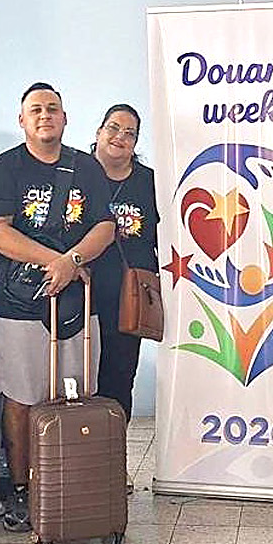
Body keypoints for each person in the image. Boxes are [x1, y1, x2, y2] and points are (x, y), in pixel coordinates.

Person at [0, 83, 115, 533]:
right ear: (22, 120)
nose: (45, 115)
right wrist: (53, 262)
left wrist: (72, 261)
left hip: (78, 300)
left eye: (53, 108)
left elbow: (105, 228)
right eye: (35, 110)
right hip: (19, 304)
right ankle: (20, 488)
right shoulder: (6, 168)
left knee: (76, 393)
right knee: (22, 397)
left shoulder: (86, 168)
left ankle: (72, 480)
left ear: (65, 117)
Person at [89, 104, 159, 421]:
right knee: (80, 383)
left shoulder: (150, 183)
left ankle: (114, 459)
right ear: (99, 132)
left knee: (119, 382)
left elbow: (165, 238)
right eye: (114, 128)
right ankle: (78, 458)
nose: (121, 137)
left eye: (130, 133)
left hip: (128, 301)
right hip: (81, 298)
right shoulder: (77, 173)